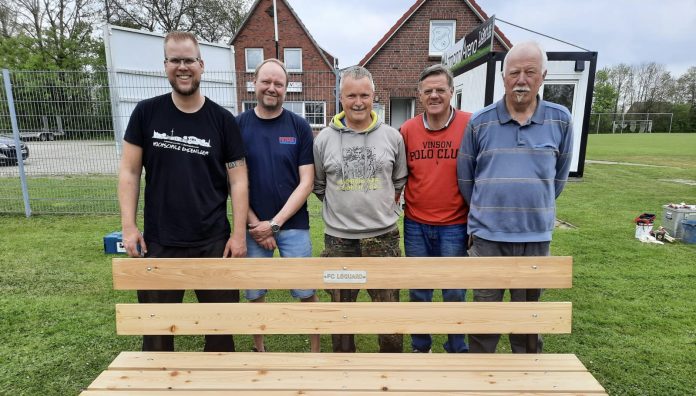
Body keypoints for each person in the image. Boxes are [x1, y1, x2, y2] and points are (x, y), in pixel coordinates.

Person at [118, 31, 249, 352]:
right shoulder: (146, 113)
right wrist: (128, 226)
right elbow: (130, 171)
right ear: (165, 65)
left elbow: (239, 180)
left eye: (189, 60)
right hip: (160, 241)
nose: (182, 67)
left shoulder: (222, 120)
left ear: (201, 65)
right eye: (175, 60)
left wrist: (239, 235)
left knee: (220, 332)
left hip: (213, 242)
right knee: (158, 334)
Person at [457, 41, 573, 353]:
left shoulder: (560, 120)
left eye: (530, 72)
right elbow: (466, 178)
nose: (521, 79)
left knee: (527, 319)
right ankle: (482, 377)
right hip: (487, 238)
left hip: (535, 238)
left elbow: (557, 179)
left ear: (543, 76)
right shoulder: (480, 122)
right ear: (504, 77)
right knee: (485, 318)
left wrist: (534, 203)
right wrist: (486, 213)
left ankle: (526, 378)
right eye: (514, 72)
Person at [313, 66, 407, 353]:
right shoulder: (324, 140)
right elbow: (319, 185)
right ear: (340, 97)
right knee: (341, 314)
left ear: (373, 96)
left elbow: (399, 182)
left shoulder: (392, 137)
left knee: (388, 312)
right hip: (340, 242)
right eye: (351, 95)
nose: (358, 102)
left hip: (383, 239)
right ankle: (342, 369)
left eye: (364, 95)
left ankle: (390, 369)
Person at [237, 58, 320, 353]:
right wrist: (256, 224)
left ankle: (315, 352)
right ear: (254, 83)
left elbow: (306, 182)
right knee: (254, 292)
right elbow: (234, 182)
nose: (272, 88)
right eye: (266, 82)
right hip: (251, 227)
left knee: (306, 290)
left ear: (287, 89)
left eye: (278, 84)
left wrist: (274, 223)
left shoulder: (298, 126)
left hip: (293, 225)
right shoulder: (238, 125)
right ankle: (259, 349)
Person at [400, 64, 472, 354]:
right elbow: (398, 174)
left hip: (455, 224)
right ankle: (421, 347)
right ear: (419, 95)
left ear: (451, 92)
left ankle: (456, 348)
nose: (434, 95)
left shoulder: (470, 124)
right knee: (419, 290)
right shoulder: (407, 130)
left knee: (454, 291)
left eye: (440, 89)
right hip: (416, 223)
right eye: (428, 91)